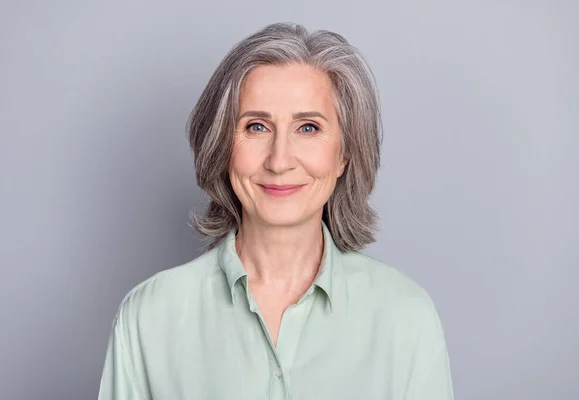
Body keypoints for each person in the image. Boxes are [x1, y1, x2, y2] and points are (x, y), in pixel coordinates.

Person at [98, 22, 454, 400]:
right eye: (256, 127)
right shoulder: (149, 317)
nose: (280, 160)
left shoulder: (405, 317)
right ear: (221, 147)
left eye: (308, 128)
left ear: (344, 155)